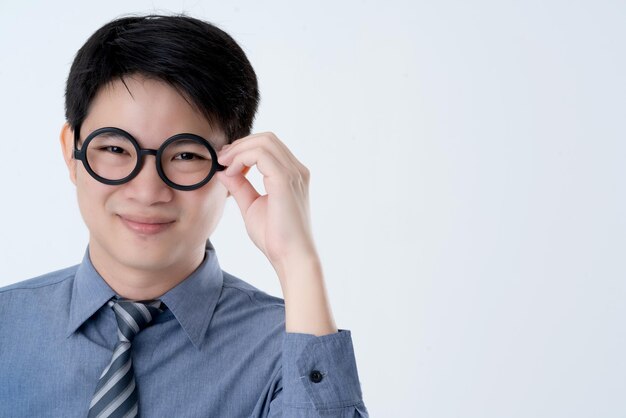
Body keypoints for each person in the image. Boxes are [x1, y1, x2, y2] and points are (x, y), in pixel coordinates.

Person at [0, 14, 368, 417]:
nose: (147, 191)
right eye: (116, 149)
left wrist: (298, 261)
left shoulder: (293, 348)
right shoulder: (8, 327)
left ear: (236, 165)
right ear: (72, 152)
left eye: (186, 155)